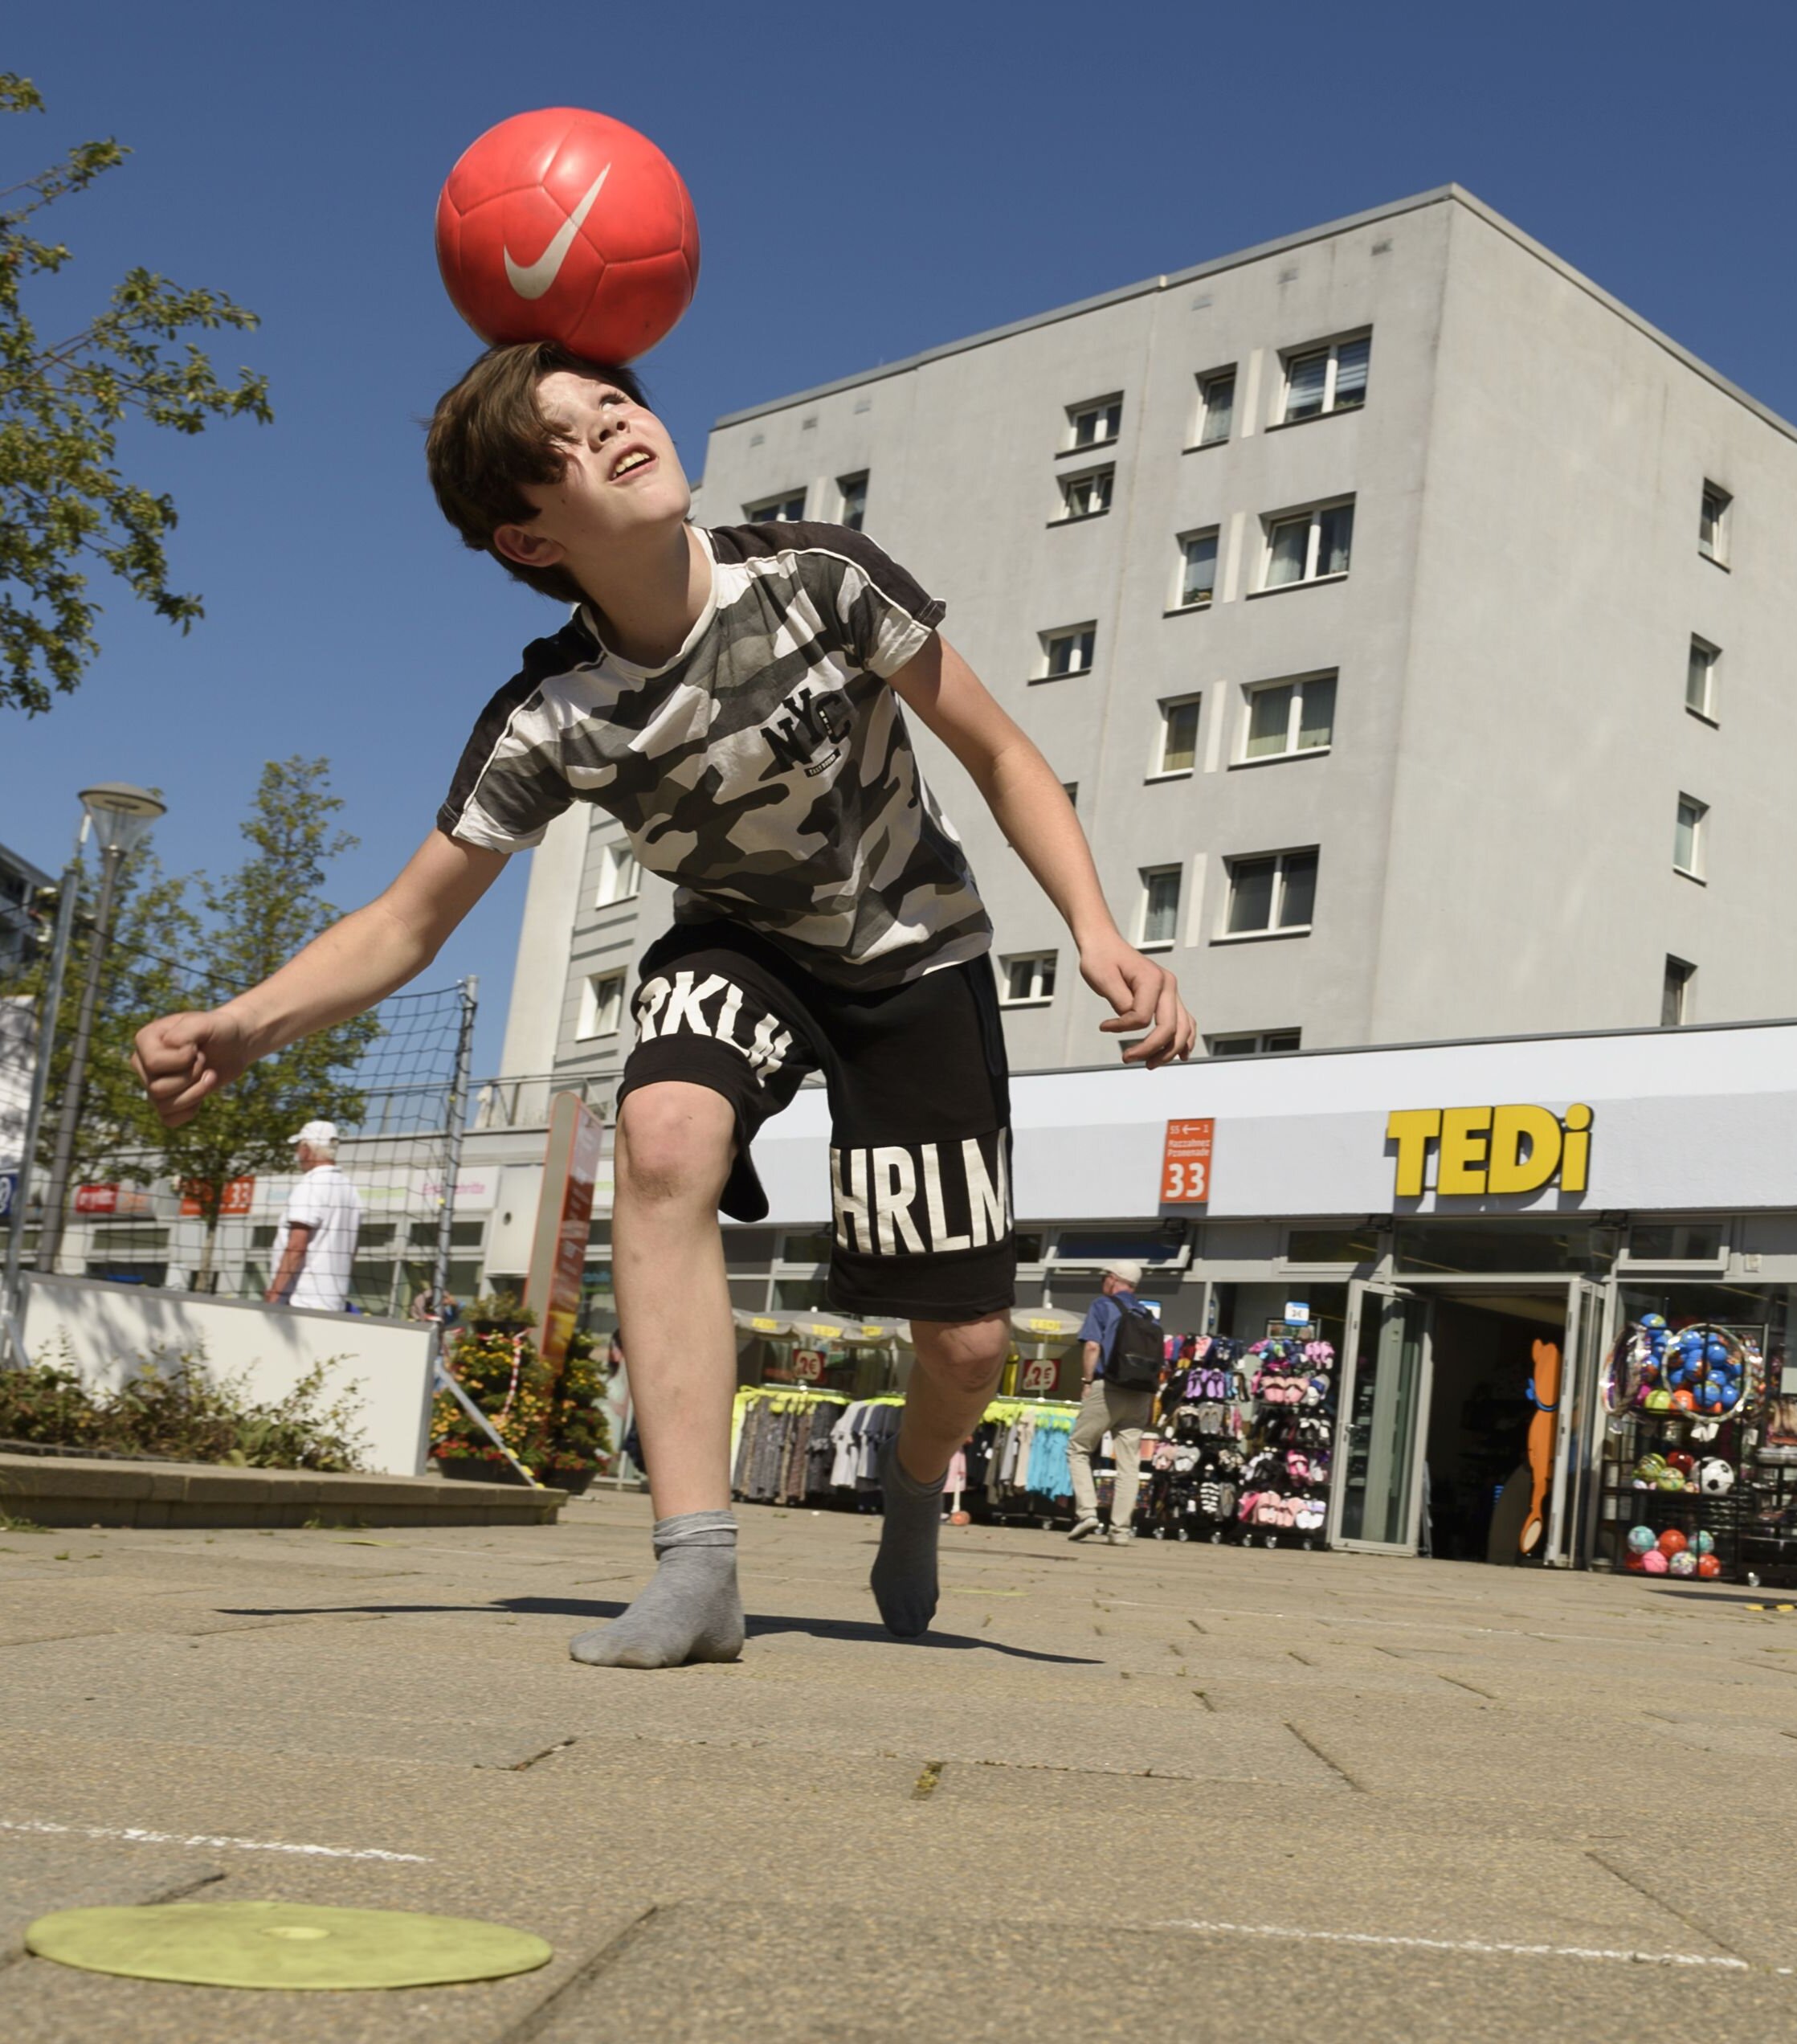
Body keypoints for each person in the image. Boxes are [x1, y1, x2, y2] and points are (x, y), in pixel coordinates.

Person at [133, 340, 1195, 1668]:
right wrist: (246, 1023)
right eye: (570, 442)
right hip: (737, 947)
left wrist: (1098, 928)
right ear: (527, 537)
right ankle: (696, 1565)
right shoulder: (553, 715)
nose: (617, 432)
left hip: (918, 953)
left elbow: (998, 749)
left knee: (970, 1343)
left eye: (614, 405)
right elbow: (407, 921)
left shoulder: (819, 576)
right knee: (665, 1136)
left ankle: (916, 1487)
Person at [1067, 1261, 1154, 1545]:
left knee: (1078, 1448)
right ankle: (1120, 1530)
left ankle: (1088, 1512)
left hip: (1109, 1389)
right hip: (1141, 1393)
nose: (1103, 1281)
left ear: (1115, 1280)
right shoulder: (1147, 1314)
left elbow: (1093, 1345)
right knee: (1129, 1463)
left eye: (1105, 1277)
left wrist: (1086, 1381)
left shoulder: (1103, 1306)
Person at [262, 1122, 361, 1312]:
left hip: (301, 1302)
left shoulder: (311, 1185)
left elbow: (297, 1246)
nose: (297, 1154)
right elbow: (353, 1250)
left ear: (306, 1150)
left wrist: (274, 1294)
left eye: (298, 1148)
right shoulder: (349, 1189)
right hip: (334, 1302)